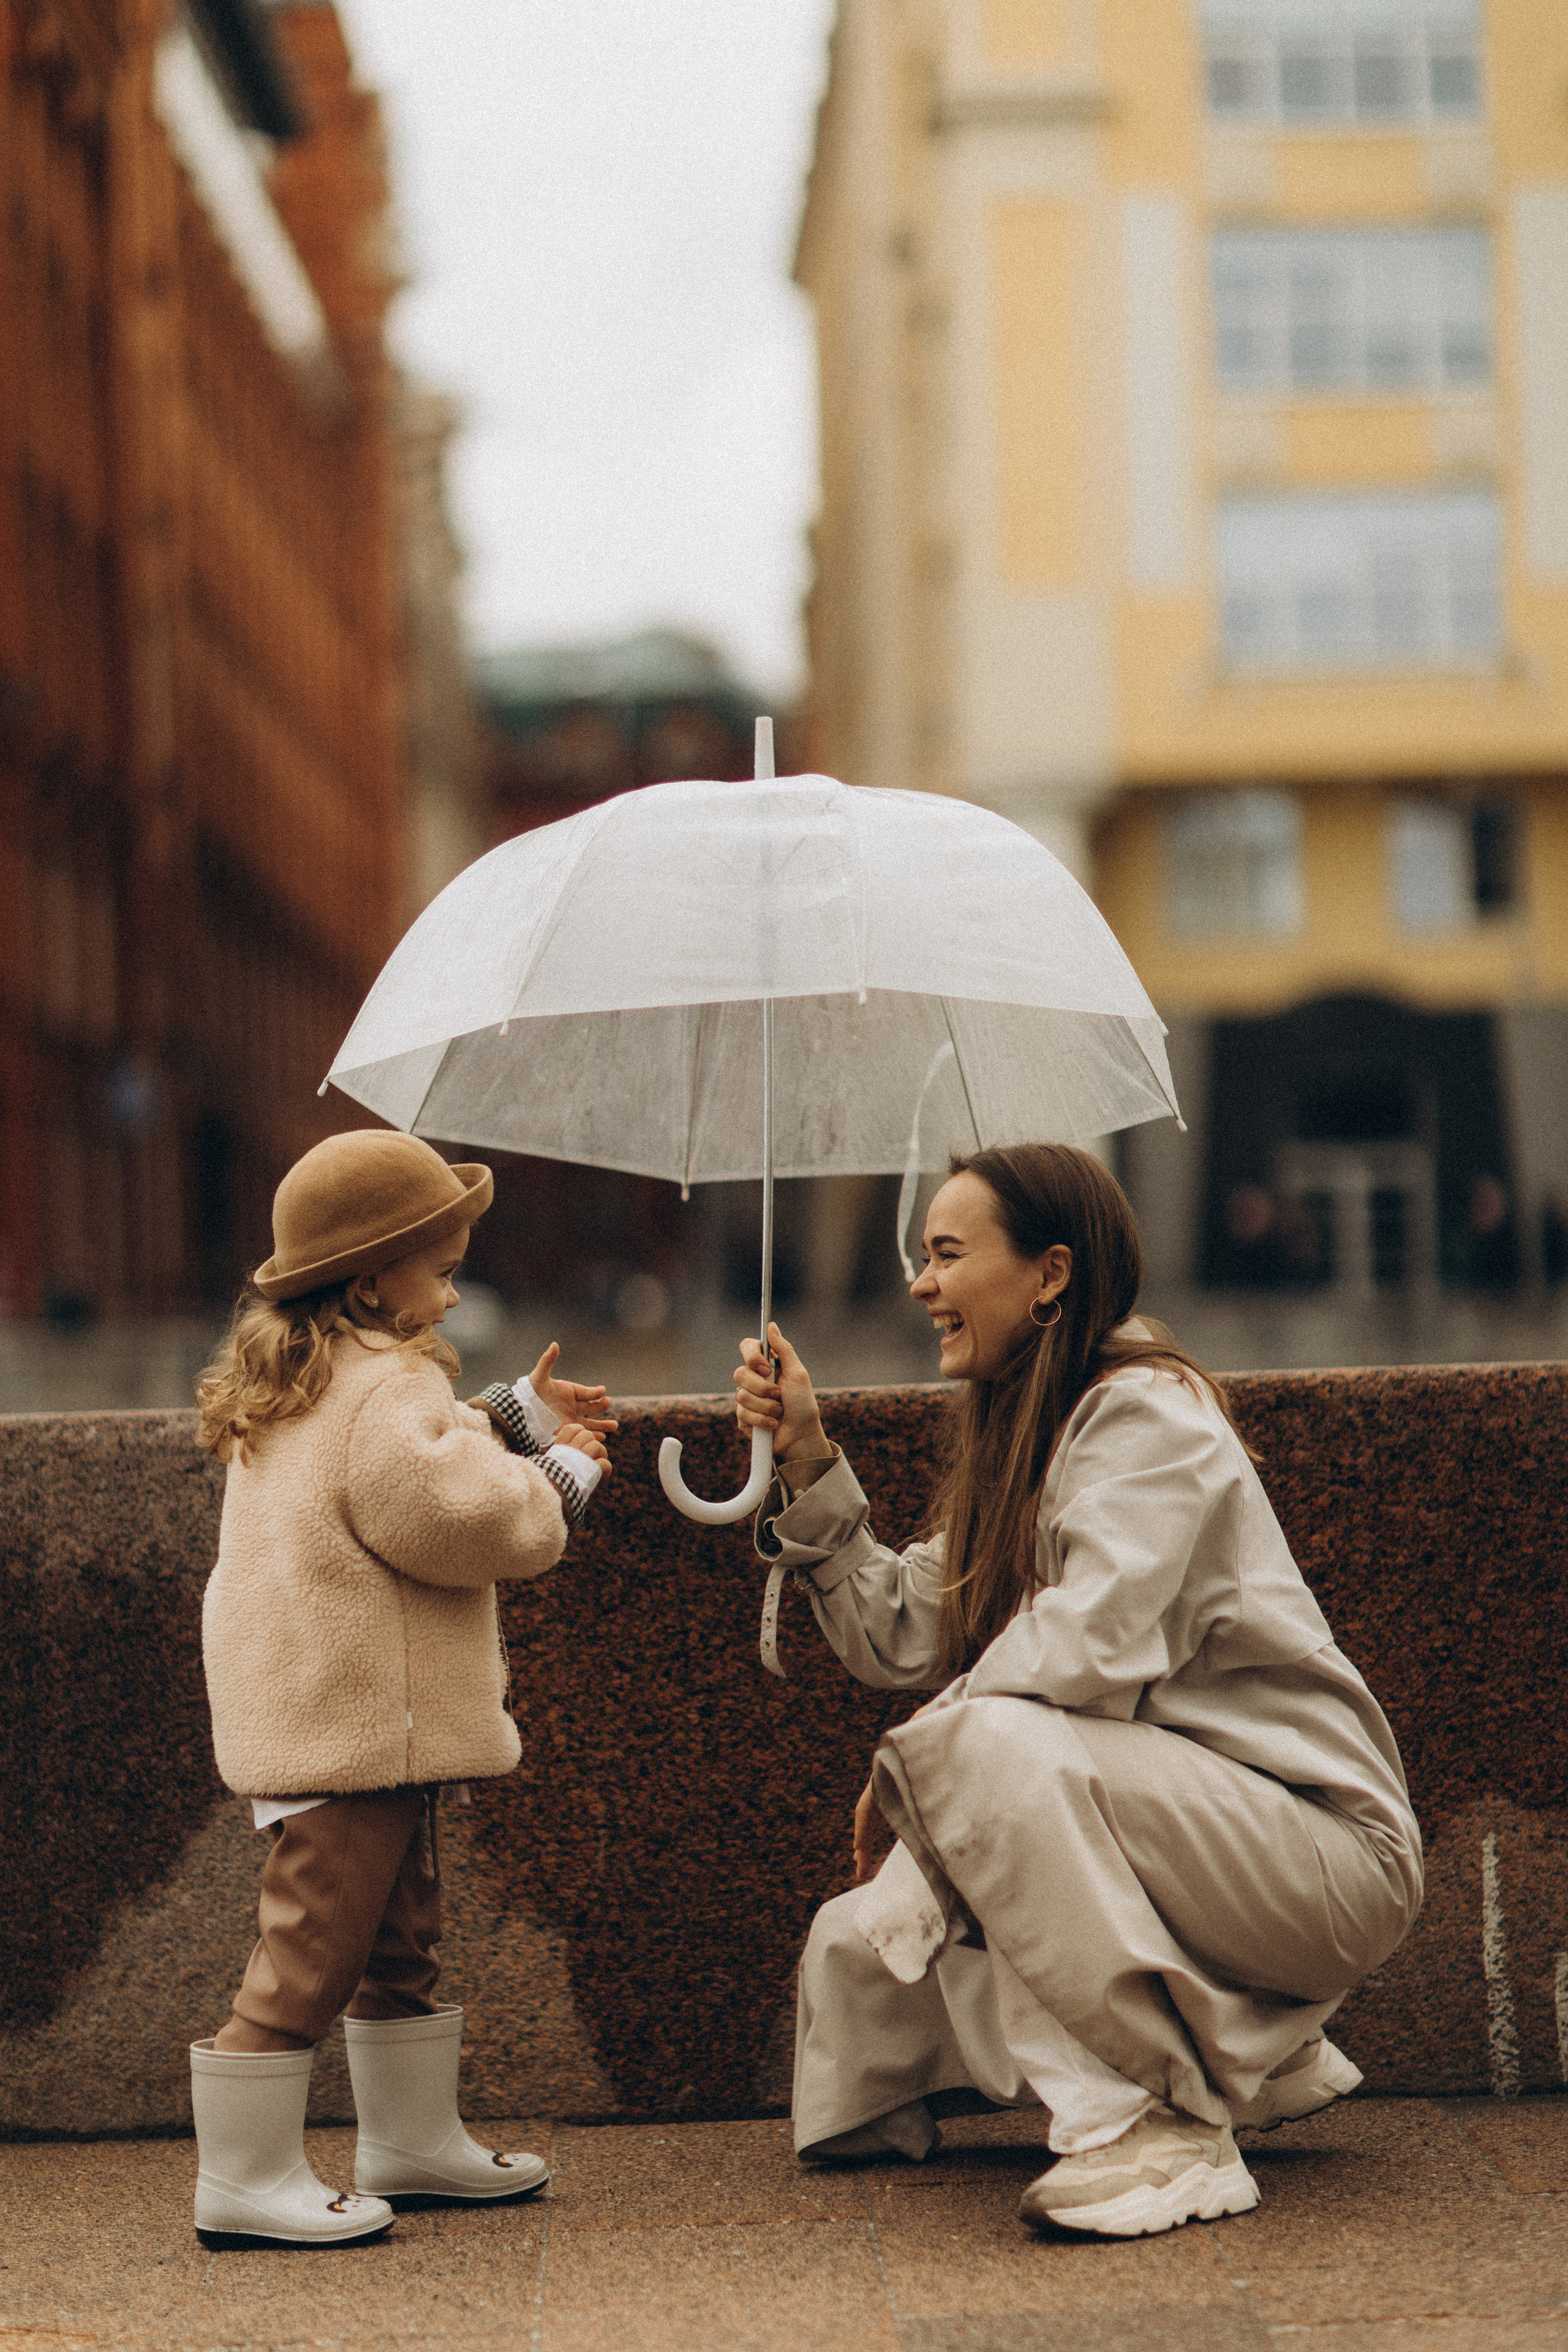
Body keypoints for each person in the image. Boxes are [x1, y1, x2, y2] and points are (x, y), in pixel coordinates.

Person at [734, 1143, 1422, 2242]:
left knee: (983, 1760)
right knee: (859, 1949)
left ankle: (1158, 2125)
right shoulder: (1039, 1431)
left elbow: (1090, 1641)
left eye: (948, 1253)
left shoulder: (1149, 1419)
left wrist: (919, 1760)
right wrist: (809, 1460)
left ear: (1050, 1274)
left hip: (1322, 1853)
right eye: (923, 1256)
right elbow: (904, 1624)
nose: (922, 1283)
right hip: (1200, 1838)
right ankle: (1252, 2046)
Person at [190, 1129, 616, 2250]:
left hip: (339, 1716)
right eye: (441, 1264)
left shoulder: (320, 1380)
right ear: (373, 1277)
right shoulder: (383, 1391)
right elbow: (455, 1513)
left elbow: (423, 1457)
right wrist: (560, 1476)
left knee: (396, 1940)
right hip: (353, 1727)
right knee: (310, 1955)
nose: (455, 1282)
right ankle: (241, 2179)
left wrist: (513, 1415)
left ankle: (411, 2144)